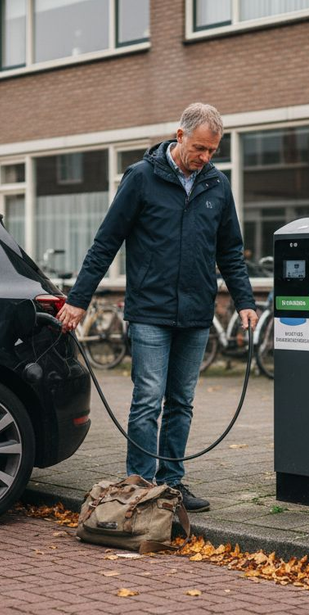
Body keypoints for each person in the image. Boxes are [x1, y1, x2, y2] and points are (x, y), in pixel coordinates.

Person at [58, 103, 258, 512]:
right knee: (148, 398)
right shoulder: (142, 178)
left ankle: (172, 483)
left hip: (196, 312)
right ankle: (138, 485)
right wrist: (79, 300)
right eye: (200, 148)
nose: (205, 158)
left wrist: (245, 302)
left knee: (181, 400)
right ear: (179, 135)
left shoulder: (216, 185)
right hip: (149, 310)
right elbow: (106, 242)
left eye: (212, 151)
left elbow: (231, 252)